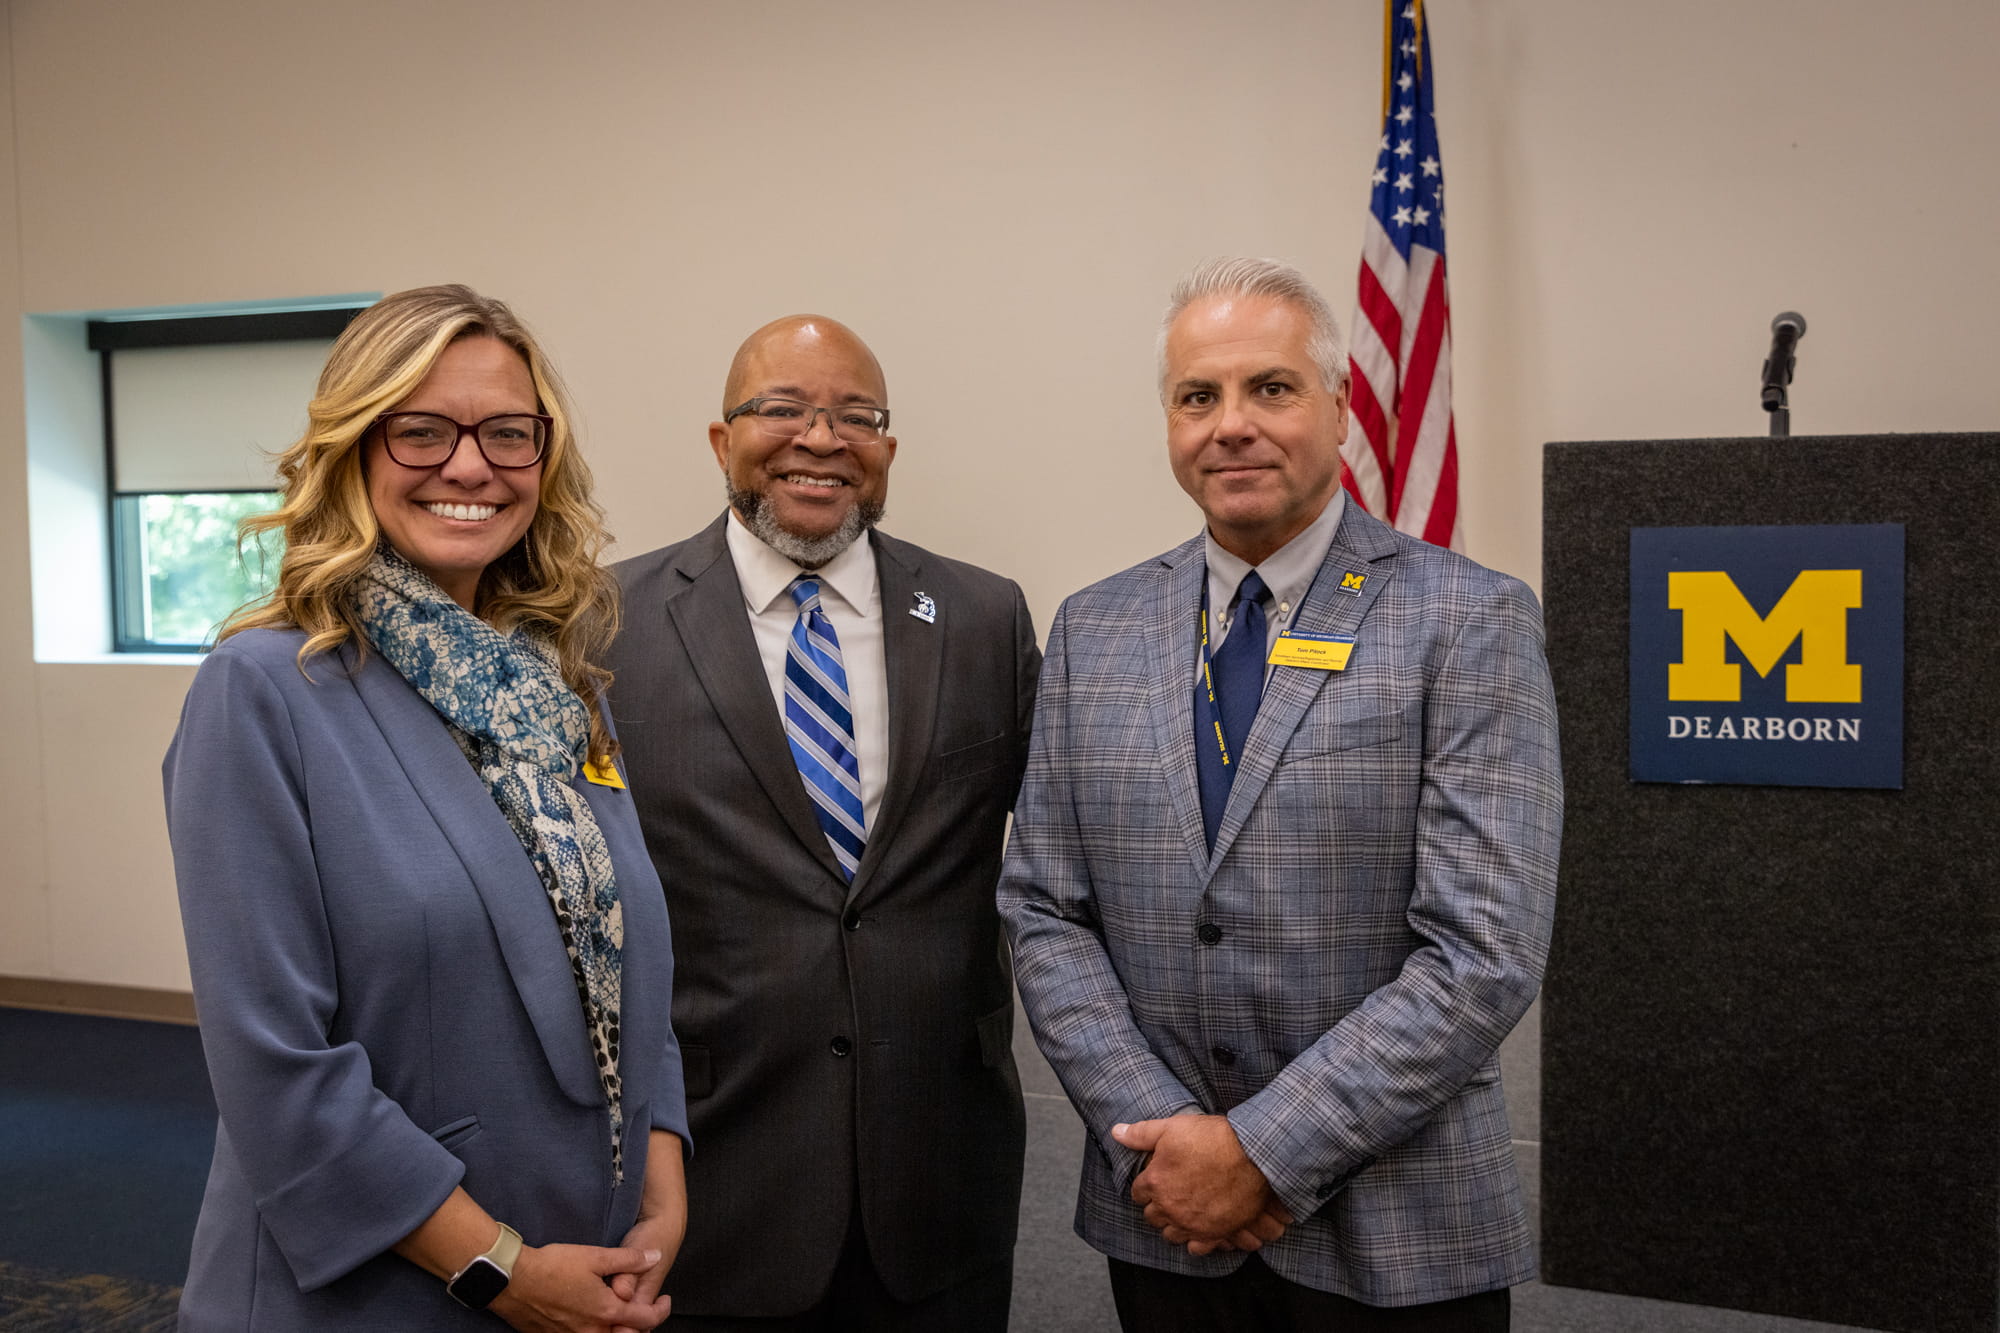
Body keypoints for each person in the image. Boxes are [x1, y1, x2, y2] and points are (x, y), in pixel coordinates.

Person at [998, 257, 1562, 1332]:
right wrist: (1156, 1130)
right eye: (1195, 397)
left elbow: (1480, 950)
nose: (1230, 425)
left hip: (1396, 1228)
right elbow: (1043, 911)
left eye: (1270, 387)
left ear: (1340, 409)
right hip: (1159, 1211)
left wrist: (1258, 1151)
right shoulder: (1093, 626)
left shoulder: (1468, 619)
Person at [163, 285, 689, 1332]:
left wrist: (662, 1187)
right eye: (421, 430)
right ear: (354, 450)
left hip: (582, 1258)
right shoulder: (265, 689)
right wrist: (497, 1268)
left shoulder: (558, 685)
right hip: (374, 1288)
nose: (468, 465)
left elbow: (629, 964)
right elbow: (277, 1067)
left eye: (506, 432)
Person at [604, 314, 1038, 1330]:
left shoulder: (984, 618)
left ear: (887, 450)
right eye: (783, 409)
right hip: (709, 1170)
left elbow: (1061, 865)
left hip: (941, 1166)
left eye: (856, 417)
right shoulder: (602, 628)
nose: (820, 438)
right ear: (721, 441)